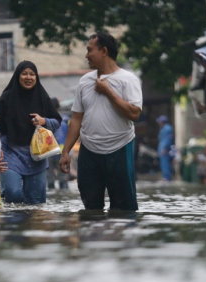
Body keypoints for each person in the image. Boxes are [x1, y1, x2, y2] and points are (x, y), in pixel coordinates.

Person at [59, 32, 143, 211]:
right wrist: (65, 151)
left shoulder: (128, 80)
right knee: (90, 206)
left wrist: (108, 92)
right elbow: (76, 119)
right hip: (89, 150)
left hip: (119, 147)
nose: (86, 55)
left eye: (90, 50)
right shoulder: (84, 82)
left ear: (104, 51)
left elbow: (134, 114)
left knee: (123, 208)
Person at [0, 61, 62, 204]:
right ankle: (13, 225)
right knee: (12, 194)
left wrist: (44, 121)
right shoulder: (6, 98)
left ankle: (31, 227)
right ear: (17, 76)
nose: (28, 77)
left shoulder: (42, 97)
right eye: (24, 73)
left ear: (36, 77)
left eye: (32, 74)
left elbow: (57, 121)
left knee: (35, 202)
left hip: (37, 155)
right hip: (10, 152)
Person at [47, 97, 69, 190]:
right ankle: (63, 189)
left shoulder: (46, 120)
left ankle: (51, 189)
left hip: (49, 151)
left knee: (50, 175)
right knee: (63, 174)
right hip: (63, 151)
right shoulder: (66, 119)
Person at [157, 115, 174, 182]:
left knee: (165, 163)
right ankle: (165, 176)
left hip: (165, 149)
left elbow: (168, 139)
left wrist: (165, 148)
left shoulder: (167, 128)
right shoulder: (163, 128)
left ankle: (166, 177)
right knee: (163, 163)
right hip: (162, 148)